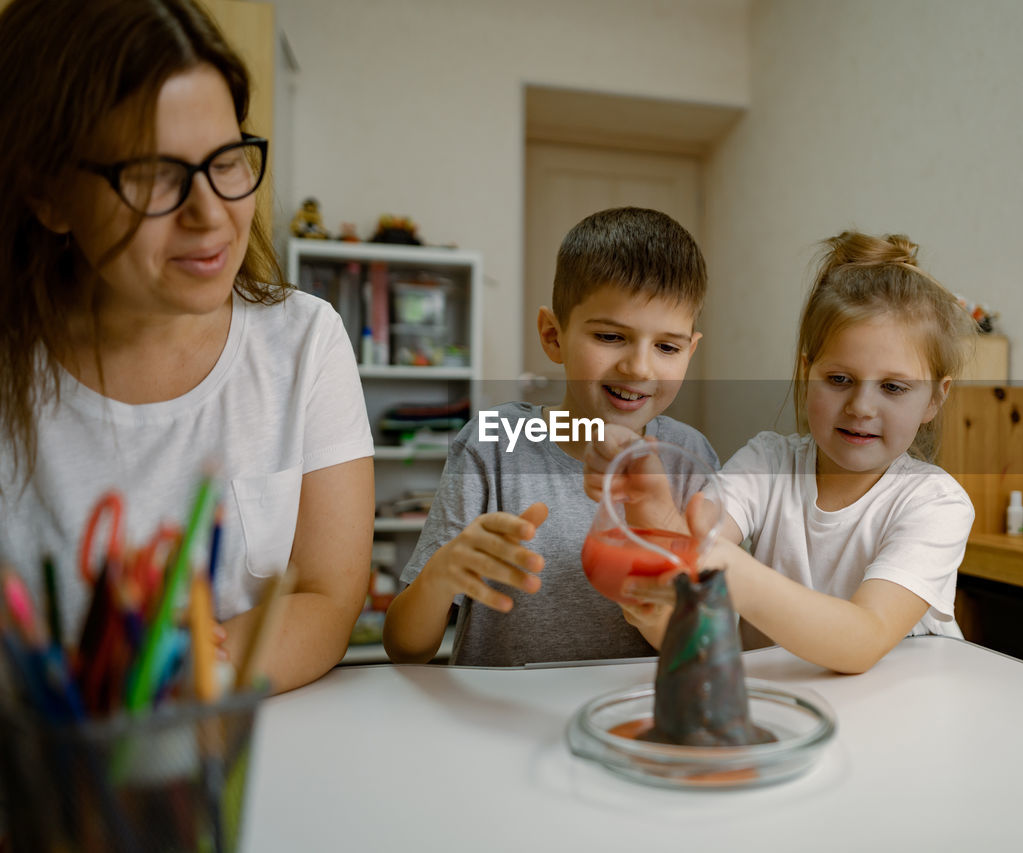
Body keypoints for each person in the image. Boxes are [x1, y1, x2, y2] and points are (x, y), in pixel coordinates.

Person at [0, 0, 374, 694]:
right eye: (153, 175)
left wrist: (194, 682)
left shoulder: (305, 340)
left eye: (225, 161)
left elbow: (328, 596)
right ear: (48, 197)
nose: (210, 212)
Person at [586, 230, 976, 674]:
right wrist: (647, 498)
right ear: (808, 372)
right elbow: (688, 561)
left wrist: (734, 573)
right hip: (787, 710)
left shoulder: (935, 503)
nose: (862, 407)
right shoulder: (767, 462)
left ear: (934, 399)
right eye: (839, 380)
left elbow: (863, 640)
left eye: (893, 387)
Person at [383, 207, 717, 666]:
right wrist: (440, 575)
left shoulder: (690, 458)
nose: (639, 368)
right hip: (498, 720)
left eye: (667, 347)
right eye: (610, 336)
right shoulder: (493, 444)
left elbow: (707, 644)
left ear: (690, 351)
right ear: (553, 335)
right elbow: (405, 647)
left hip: (631, 719)